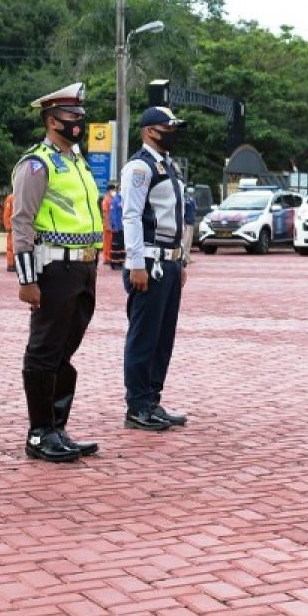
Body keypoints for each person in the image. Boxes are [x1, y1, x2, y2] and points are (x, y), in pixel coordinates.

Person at [11, 83, 103, 463]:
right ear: (51, 120)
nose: (78, 124)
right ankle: (39, 433)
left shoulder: (76, 161)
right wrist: (27, 279)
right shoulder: (37, 163)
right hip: (54, 266)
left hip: (83, 266)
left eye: (81, 118)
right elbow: (22, 222)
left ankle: (57, 427)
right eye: (71, 118)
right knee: (45, 349)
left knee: (66, 349)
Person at [120, 106, 189, 431]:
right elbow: (131, 215)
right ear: (150, 130)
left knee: (163, 337)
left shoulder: (168, 165)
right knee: (144, 336)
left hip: (169, 261)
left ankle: (153, 399)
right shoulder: (139, 167)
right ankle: (137, 405)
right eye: (168, 127)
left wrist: (182, 260)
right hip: (148, 261)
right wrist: (135, 264)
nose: (173, 132)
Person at [108, 186, 125, 269]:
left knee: (122, 245)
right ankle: (114, 263)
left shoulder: (123, 199)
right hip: (117, 226)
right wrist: (114, 225)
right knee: (116, 246)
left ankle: (121, 262)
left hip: (123, 226)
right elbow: (113, 213)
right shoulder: (115, 200)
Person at [102, 182, 118, 265]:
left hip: (112, 224)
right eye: (113, 189)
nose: (114, 191)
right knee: (107, 242)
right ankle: (106, 257)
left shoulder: (112, 199)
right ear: (109, 190)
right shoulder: (106, 199)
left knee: (111, 241)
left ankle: (109, 257)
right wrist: (107, 224)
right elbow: (105, 213)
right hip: (107, 224)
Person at [3, 192, 16, 272]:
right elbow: (6, 213)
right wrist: (8, 226)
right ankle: (11, 264)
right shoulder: (10, 198)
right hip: (12, 227)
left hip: (18, 226)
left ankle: (15, 263)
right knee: (11, 247)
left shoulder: (15, 197)